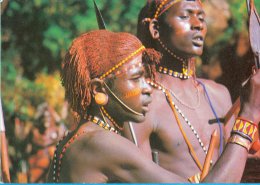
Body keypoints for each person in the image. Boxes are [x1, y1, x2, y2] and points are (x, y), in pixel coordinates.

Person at [123, 0, 260, 182]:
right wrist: (248, 117)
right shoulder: (142, 103)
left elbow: (233, 165)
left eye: (201, 18)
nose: (198, 24)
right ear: (155, 29)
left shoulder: (219, 94)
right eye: (185, 16)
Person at [47, 29, 192, 183]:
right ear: (98, 89)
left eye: (145, 78)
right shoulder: (103, 143)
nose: (148, 88)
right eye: (136, 78)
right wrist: (222, 156)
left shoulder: (74, 138)